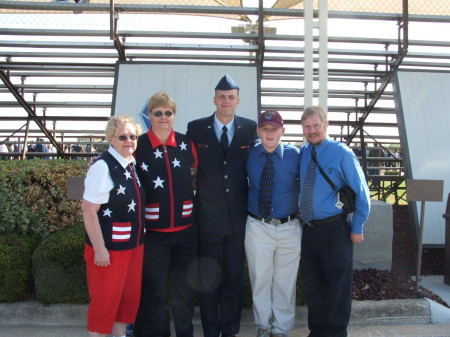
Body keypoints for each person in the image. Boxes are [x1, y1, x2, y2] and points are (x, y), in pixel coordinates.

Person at [187, 74, 257, 337]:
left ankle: (229, 330)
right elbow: (181, 160)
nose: (226, 101)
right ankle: (210, 330)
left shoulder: (250, 128)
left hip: (237, 218)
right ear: (214, 99)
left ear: (237, 101)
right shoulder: (196, 128)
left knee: (233, 278)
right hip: (206, 218)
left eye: (231, 97)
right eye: (221, 96)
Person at [298, 106, 370, 337]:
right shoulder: (303, 152)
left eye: (316, 125)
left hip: (335, 230)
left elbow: (362, 192)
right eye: (307, 127)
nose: (312, 130)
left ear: (326, 125)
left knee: (337, 288)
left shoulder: (342, 153)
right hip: (308, 232)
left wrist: (357, 226)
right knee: (313, 287)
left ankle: (337, 333)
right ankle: (317, 331)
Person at [134, 91, 198, 337]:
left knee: (183, 290)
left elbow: (197, 175)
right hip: (154, 235)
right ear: (149, 115)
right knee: (154, 291)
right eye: (157, 112)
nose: (162, 117)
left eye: (167, 113)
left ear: (174, 115)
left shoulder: (186, 143)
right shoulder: (138, 145)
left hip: (186, 233)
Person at [81, 114, 146, 337]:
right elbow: (89, 210)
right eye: (123, 136)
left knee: (126, 303)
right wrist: (99, 249)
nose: (129, 140)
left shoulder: (130, 164)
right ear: (111, 138)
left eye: (133, 136)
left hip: (133, 247)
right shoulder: (102, 167)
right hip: (109, 251)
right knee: (105, 303)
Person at [245, 111, 301, 337]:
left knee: (285, 281)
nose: (270, 133)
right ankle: (263, 325)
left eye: (274, 129)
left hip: (289, 227)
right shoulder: (249, 154)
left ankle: (281, 328)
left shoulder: (296, 155)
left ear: (282, 131)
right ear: (258, 131)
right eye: (265, 129)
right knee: (260, 278)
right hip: (258, 226)